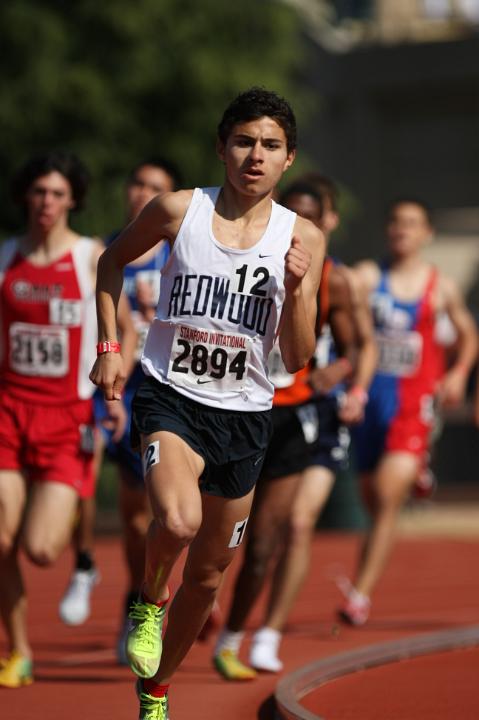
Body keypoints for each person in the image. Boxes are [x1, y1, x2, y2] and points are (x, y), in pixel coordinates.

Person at [90, 87, 324, 719]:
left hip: (246, 416)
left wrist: (299, 290)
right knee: (179, 522)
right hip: (171, 396)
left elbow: (298, 356)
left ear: (288, 159)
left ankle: (157, 688)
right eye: (244, 141)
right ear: (222, 148)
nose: (255, 155)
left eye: (270, 146)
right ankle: (147, 599)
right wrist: (110, 345)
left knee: (211, 575)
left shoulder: (302, 237)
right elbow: (110, 264)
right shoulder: (177, 210)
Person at [213, 176, 377, 679]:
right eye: (293, 217)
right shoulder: (243, 254)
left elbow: (356, 346)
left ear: (324, 223)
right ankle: (195, 596)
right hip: (234, 405)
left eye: (311, 220)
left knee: (266, 539)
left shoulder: (334, 279)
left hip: (293, 414)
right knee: (210, 532)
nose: (299, 231)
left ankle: (237, 637)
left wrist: (343, 373)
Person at [0, 151, 123, 687]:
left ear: (72, 198)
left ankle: (81, 552)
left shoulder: (88, 256)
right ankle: (19, 650)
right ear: (26, 197)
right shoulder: (5, 257)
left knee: (41, 549)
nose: (46, 202)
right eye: (38, 192)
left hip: (66, 415)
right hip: (7, 409)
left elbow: (123, 327)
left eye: (57, 193)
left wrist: (115, 371)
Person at [59, 160, 180, 652]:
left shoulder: (183, 253)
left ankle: (151, 596)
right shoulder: (103, 252)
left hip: (162, 388)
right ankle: (88, 565)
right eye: (137, 183)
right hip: (106, 385)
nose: (143, 193)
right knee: (80, 477)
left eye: (156, 187)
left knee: (146, 515)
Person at [339, 198, 478, 626]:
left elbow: (470, 337)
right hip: (368, 400)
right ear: (388, 230)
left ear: (427, 234)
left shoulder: (441, 287)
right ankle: (419, 471)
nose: (402, 230)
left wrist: (457, 375)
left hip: (412, 403)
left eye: (412, 224)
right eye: (396, 222)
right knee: (369, 495)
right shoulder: (366, 277)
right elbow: (331, 290)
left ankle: (359, 594)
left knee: (384, 495)